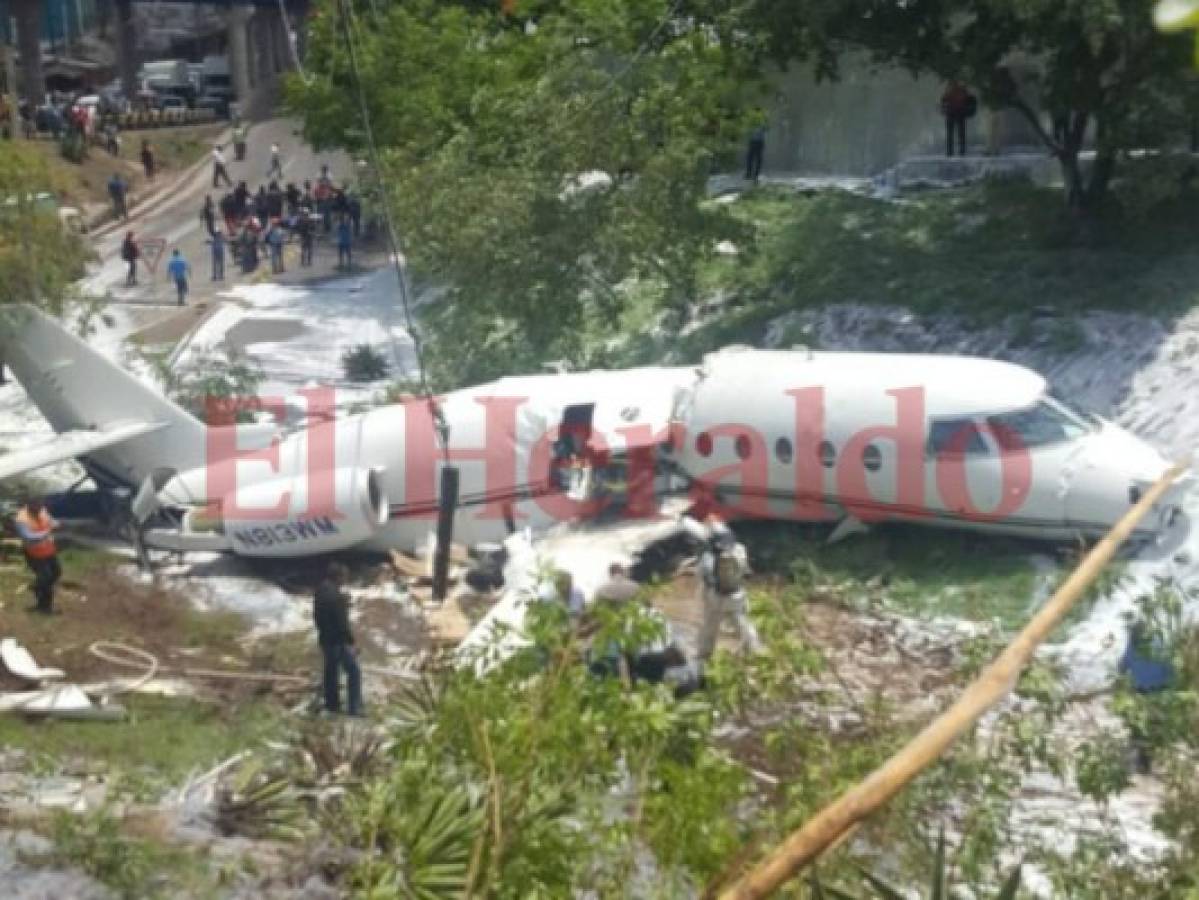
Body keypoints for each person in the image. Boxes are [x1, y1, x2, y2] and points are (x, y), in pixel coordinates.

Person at [683, 513, 762, 661]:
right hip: (737, 596)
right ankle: (755, 652)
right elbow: (746, 571)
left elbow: (704, 577)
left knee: (709, 628)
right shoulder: (739, 550)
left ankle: (703, 656)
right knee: (743, 624)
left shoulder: (708, 558)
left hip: (715, 598)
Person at [1119, 622, 1176, 774]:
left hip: (1148, 693)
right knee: (1149, 728)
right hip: (1156, 692)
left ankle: (1142, 764)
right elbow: (1171, 670)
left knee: (1140, 728)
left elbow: (1122, 667)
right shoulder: (1158, 644)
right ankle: (1144, 763)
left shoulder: (1136, 645)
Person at [313, 562, 363, 716]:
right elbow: (342, 624)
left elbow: (317, 616)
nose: (345, 580)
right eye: (344, 576)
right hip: (338, 641)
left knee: (331, 672)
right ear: (338, 577)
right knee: (354, 672)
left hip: (325, 639)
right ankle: (354, 709)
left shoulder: (321, 590)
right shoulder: (337, 598)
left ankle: (332, 704)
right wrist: (351, 642)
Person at [14, 497, 61, 614]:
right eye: (36, 509)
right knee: (46, 577)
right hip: (33, 553)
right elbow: (28, 536)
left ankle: (38, 588)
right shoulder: (21, 519)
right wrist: (47, 532)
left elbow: (51, 521)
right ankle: (45, 607)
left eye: (40, 508)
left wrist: (56, 524)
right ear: (29, 507)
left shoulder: (42, 510)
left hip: (48, 550)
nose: (39, 511)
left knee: (56, 573)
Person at [940, 81, 973, 157]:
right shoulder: (962, 90)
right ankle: (960, 150)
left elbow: (944, 100)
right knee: (959, 133)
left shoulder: (950, 90)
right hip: (958, 113)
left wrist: (944, 108)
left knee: (952, 133)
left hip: (953, 113)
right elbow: (968, 99)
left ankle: (952, 151)